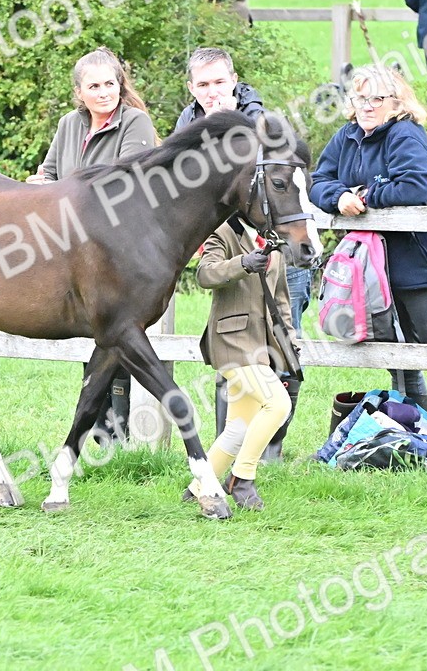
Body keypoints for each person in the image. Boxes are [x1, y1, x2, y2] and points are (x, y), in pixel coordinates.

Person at [309, 64, 427, 443]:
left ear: (396, 101)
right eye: (360, 97)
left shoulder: (406, 133)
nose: (367, 106)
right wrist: (338, 197)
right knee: (401, 365)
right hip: (375, 277)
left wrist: (364, 195)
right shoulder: (347, 136)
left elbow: (414, 187)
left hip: (423, 270)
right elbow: (319, 181)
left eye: (377, 98)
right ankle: (419, 442)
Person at [175, 46, 308, 461]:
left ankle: (270, 450)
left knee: (281, 347)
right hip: (227, 248)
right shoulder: (187, 125)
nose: (212, 91)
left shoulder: (264, 124)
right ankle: (228, 451)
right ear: (191, 88)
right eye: (203, 84)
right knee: (233, 350)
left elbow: (291, 183)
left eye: (219, 81)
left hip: (274, 248)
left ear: (234, 81)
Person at [27, 47, 158, 443]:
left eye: (110, 84)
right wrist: (40, 185)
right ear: (79, 92)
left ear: (120, 85)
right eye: (95, 86)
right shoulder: (69, 124)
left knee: (118, 333)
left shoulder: (135, 122)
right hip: (71, 244)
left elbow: (123, 182)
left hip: (118, 249)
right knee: (100, 336)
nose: (104, 93)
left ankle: (115, 434)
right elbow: (49, 173)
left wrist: (59, 190)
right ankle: (102, 434)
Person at [184, 215, 297, 510]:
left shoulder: (272, 237)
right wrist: (243, 263)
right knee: (278, 404)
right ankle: (242, 478)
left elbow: (281, 298)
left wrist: (290, 340)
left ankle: (197, 488)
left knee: (238, 428)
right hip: (231, 341)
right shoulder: (221, 231)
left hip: (261, 346)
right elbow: (205, 275)